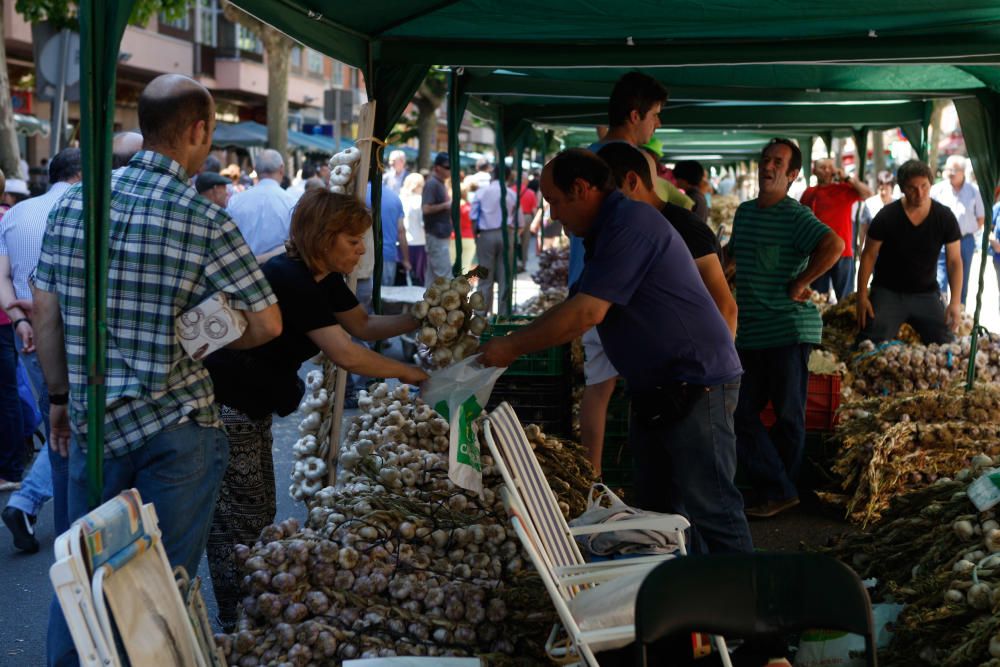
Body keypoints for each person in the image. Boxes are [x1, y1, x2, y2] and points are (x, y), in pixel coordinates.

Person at [38, 73, 282, 664]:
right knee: (159, 586)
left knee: (83, 578)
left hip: (94, 422)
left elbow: (46, 310)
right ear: (197, 131)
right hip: (178, 427)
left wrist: (60, 396)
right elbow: (268, 323)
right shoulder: (204, 220)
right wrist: (201, 334)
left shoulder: (75, 202)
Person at [480, 148, 752, 555]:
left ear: (582, 189)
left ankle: (748, 605)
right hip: (660, 388)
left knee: (710, 507)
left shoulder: (630, 225)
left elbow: (587, 312)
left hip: (696, 384)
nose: (552, 214)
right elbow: (576, 306)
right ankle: (686, 603)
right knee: (659, 513)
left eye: (554, 201)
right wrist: (511, 343)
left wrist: (511, 347)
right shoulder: (606, 230)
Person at [204, 189, 427, 628]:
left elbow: (362, 324)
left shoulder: (322, 277)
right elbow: (347, 353)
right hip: (229, 404)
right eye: (352, 240)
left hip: (253, 403)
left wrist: (423, 317)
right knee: (240, 519)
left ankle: (247, 611)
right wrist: (410, 374)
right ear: (324, 237)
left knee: (256, 511)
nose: (362, 249)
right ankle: (237, 623)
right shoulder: (291, 277)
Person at [729, 138, 844, 519]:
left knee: (789, 417)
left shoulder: (795, 216)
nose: (769, 166)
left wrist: (802, 282)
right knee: (739, 412)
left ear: (792, 175)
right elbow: (732, 257)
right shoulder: (744, 213)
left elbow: (834, 243)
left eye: (778, 162)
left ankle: (778, 493)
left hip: (788, 328)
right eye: (765, 160)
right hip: (751, 332)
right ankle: (779, 489)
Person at [0, 148, 82, 553]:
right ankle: (34, 504)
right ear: (82, 175)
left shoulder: (15, 213)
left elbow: (3, 275)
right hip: (72, 330)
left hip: (28, 331)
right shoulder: (80, 207)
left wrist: (18, 320)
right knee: (68, 423)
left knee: (58, 416)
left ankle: (28, 503)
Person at [857, 159, 962, 345]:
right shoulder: (887, 216)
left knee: (946, 343)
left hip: (926, 293)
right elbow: (868, 256)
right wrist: (862, 297)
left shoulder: (944, 217)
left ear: (931, 184)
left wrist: (955, 302)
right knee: (869, 342)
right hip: (887, 292)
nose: (920, 193)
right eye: (913, 188)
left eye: (924, 186)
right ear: (902, 188)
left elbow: (954, 261)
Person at [799, 158, 872, 301]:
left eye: (830, 167)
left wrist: (846, 177)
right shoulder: (809, 193)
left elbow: (868, 194)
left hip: (843, 253)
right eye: (822, 167)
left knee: (845, 299)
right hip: (817, 253)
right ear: (814, 171)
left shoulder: (843, 189)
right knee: (817, 298)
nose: (827, 170)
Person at [931, 155, 984, 305]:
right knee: (940, 281)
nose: (950, 173)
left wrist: (967, 229)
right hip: (941, 242)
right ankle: (941, 314)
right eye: (948, 169)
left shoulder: (974, 191)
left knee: (961, 282)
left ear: (963, 171)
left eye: (954, 170)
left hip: (965, 241)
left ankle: (958, 317)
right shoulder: (937, 190)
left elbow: (981, 217)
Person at [226, 148, 297, 259]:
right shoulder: (292, 202)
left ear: (255, 170)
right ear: (282, 169)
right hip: (279, 271)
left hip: (243, 269)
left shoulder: (235, 201)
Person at [474, 167, 518, 316]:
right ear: (508, 177)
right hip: (506, 234)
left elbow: (474, 216)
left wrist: (477, 238)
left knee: (485, 279)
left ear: (493, 175)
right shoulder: (512, 194)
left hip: (486, 235)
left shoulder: (482, 192)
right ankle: (503, 316)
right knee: (505, 279)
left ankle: (480, 316)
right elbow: (520, 221)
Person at [366, 182, 409, 286]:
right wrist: (406, 260)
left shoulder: (358, 193)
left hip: (363, 257)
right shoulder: (394, 197)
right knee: (384, 299)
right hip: (388, 256)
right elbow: (401, 231)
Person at [422, 152, 453, 284]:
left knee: (433, 277)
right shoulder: (432, 184)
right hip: (436, 235)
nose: (450, 170)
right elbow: (426, 208)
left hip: (439, 235)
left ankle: (427, 303)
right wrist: (447, 205)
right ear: (437, 167)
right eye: (447, 167)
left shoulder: (440, 183)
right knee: (445, 276)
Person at [857, 170, 901, 248]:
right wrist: (861, 249)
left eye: (887, 184)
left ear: (892, 186)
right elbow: (863, 229)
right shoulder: (869, 203)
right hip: (873, 250)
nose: (883, 186)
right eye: (881, 183)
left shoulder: (898, 204)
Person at [400, 173, 427, 285]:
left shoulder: (400, 199)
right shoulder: (420, 200)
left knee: (403, 280)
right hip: (419, 243)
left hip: (401, 242)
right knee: (419, 280)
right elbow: (424, 224)